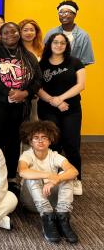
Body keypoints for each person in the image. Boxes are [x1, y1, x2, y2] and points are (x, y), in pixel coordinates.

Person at [0, 22, 41, 192]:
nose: (9, 35)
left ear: (18, 33)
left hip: (20, 106)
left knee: (14, 141)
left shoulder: (28, 56)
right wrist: (8, 91)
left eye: (13, 32)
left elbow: (38, 79)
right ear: (0, 35)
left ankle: (12, 177)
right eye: (5, 32)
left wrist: (26, 93)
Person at [37, 33, 85, 195]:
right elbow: (37, 87)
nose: (59, 45)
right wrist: (53, 101)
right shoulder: (41, 64)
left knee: (72, 144)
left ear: (66, 45)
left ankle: (75, 179)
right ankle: (54, 178)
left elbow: (80, 85)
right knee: (53, 144)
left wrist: (60, 99)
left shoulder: (75, 62)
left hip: (71, 109)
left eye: (62, 43)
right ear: (50, 44)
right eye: (55, 42)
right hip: (47, 108)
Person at [18, 120, 79, 243]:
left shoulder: (54, 155)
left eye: (44, 137)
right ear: (30, 141)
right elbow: (23, 172)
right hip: (33, 202)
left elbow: (74, 171)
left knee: (66, 175)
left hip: (54, 203)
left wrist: (56, 179)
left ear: (50, 140)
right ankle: (47, 219)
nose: (40, 141)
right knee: (32, 176)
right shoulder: (26, 155)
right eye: (36, 138)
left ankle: (63, 218)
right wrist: (50, 175)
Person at [45, 0, 94, 66]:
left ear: (75, 15)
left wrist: (71, 70)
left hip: (74, 74)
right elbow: (44, 54)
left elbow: (86, 60)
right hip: (52, 73)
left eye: (67, 13)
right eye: (61, 13)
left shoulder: (83, 36)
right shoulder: (50, 33)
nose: (63, 15)